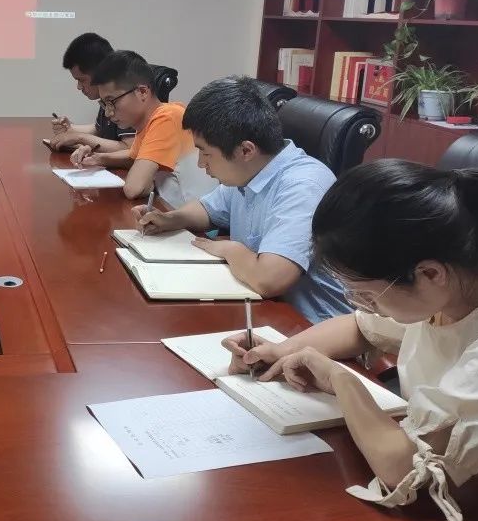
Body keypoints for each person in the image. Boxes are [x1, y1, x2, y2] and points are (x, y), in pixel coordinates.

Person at [224, 159, 478, 521]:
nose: (361, 304)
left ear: (430, 273)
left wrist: (342, 381)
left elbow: (401, 465)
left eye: (366, 294)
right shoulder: (456, 288)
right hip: (477, 487)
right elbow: (360, 327)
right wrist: (280, 351)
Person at [132, 76, 349, 323]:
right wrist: (170, 219)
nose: (201, 164)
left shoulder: (303, 185)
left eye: (205, 153)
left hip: (312, 325)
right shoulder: (250, 171)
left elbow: (269, 279)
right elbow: (208, 209)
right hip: (263, 309)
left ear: (246, 150)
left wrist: (230, 249)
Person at [69, 50, 192, 200]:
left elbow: (134, 189)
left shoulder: (167, 117)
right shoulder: (146, 122)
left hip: (184, 213)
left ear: (142, 92)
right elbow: (133, 157)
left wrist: (148, 181)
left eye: (112, 102)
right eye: (104, 104)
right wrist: (98, 158)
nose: (108, 113)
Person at [50, 33, 178, 164]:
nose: (79, 87)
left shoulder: (127, 103)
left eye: (81, 80)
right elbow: (100, 129)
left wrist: (80, 138)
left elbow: (130, 149)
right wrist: (71, 129)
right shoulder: (110, 100)